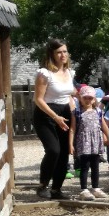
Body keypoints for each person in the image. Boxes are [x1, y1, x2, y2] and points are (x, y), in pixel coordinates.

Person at [33, 39, 75, 199]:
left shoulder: (70, 72)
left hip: (65, 114)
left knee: (64, 153)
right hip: (46, 115)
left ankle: (56, 189)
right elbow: (38, 99)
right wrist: (55, 117)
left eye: (65, 51)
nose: (63, 55)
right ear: (52, 54)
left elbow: (69, 95)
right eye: (59, 52)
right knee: (53, 150)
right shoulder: (45, 73)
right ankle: (42, 185)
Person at [69, 85, 109, 200]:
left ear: (94, 99)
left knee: (95, 166)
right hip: (83, 142)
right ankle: (84, 189)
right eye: (85, 98)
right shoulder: (77, 112)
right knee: (84, 166)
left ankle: (95, 188)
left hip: (96, 142)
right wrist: (70, 144)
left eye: (90, 98)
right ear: (81, 98)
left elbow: (104, 126)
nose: (87, 100)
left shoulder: (98, 111)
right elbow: (72, 129)